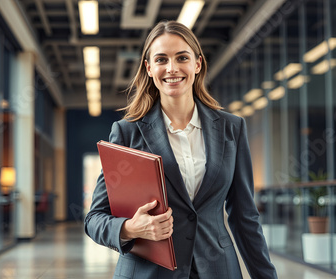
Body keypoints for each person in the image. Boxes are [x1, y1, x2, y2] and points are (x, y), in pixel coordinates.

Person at [84, 20, 277, 279]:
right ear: (149, 68)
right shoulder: (127, 133)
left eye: (182, 57)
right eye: (161, 59)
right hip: (148, 272)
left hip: (217, 269)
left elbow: (245, 217)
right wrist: (131, 228)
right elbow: (94, 219)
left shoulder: (232, 129)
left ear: (197, 64)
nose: (172, 68)